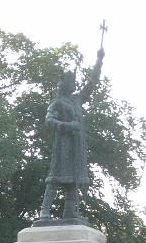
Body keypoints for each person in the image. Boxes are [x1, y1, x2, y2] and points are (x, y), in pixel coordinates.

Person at [39, 47, 104, 223]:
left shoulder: (77, 99)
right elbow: (49, 120)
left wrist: (99, 61)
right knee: (55, 177)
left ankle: (70, 211)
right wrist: (69, 126)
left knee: (73, 179)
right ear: (63, 84)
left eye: (75, 82)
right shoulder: (57, 102)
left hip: (76, 147)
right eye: (71, 82)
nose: (74, 85)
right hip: (63, 145)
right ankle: (44, 210)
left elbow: (91, 84)